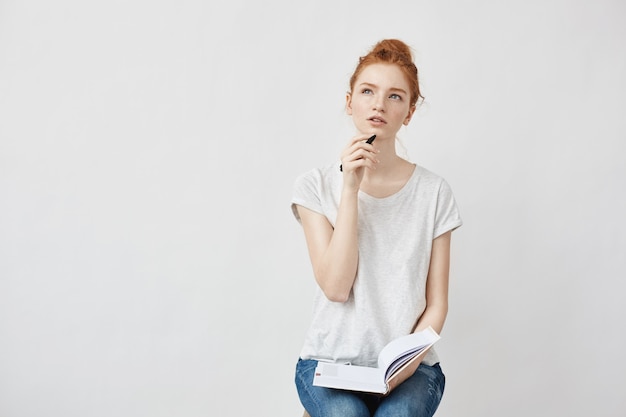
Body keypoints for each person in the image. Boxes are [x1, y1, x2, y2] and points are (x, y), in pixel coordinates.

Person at [291, 39, 462, 417]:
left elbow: (437, 304)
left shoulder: (434, 192)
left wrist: (407, 364)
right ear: (350, 101)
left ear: (410, 112)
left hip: (411, 371)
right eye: (368, 91)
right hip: (329, 365)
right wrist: (349, 189)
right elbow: (336, 288)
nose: (379, 105)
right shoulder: (314, 186)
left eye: (395, 96)